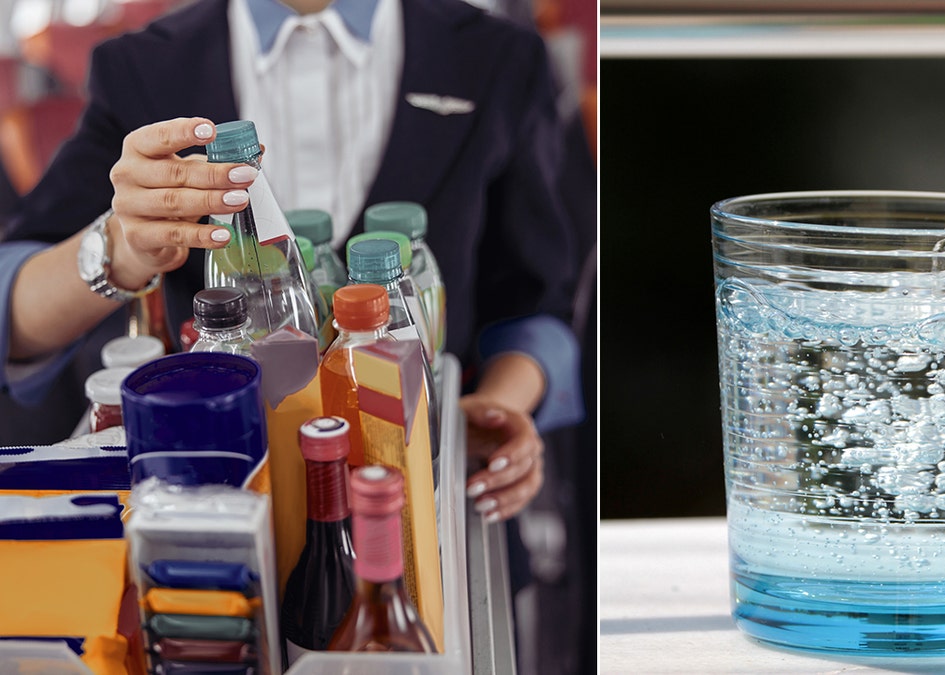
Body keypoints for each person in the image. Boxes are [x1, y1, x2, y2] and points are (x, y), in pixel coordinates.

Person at [0, 0, 586, 526]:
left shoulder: (495, 55)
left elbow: (539, 305)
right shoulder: (144, 66)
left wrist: (497, 406)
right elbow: (16, 314)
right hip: (213, 500)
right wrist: (122, 247)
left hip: (431, 491)